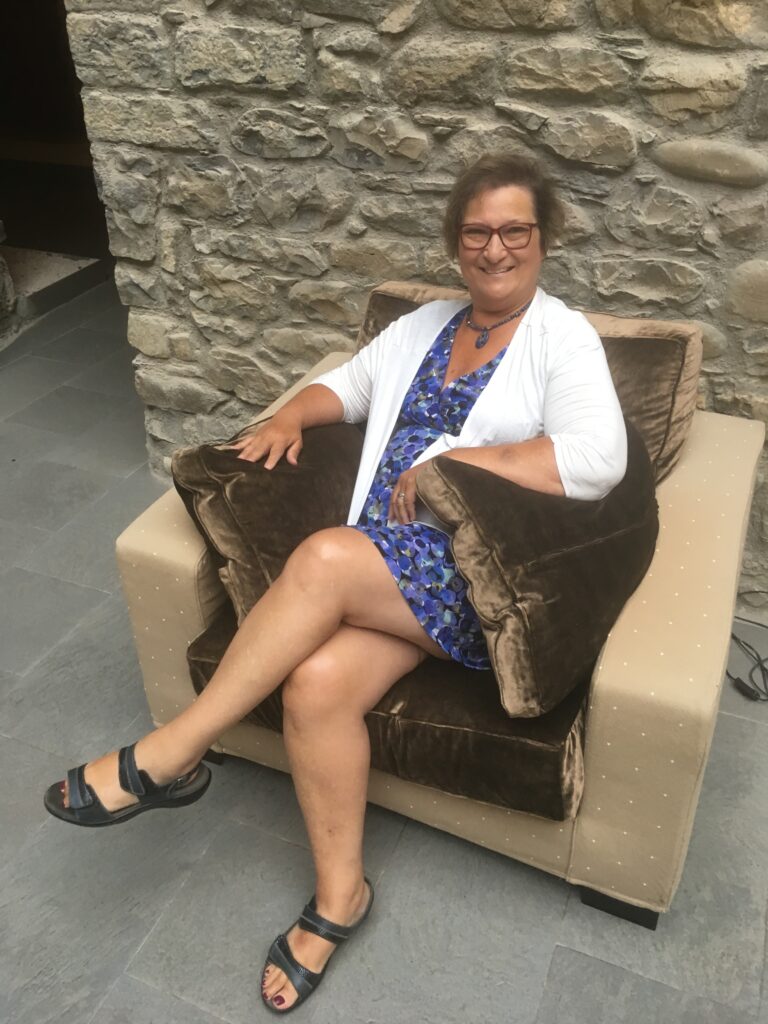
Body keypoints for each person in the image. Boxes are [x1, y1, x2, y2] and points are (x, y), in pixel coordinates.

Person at [44, 152, 627, 1014]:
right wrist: (290, 412)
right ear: (455, 241)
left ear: (543, 242)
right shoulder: (428, 324)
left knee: (322, 557)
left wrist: (453, 461)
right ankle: (339, 899)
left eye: (516, 231)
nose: (496, 248)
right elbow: (348, 389)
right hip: (379, 569)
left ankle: (173, 749)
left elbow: (597, 461)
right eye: (478, 231)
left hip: (473, 579)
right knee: (315, 687)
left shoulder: (561, 338)